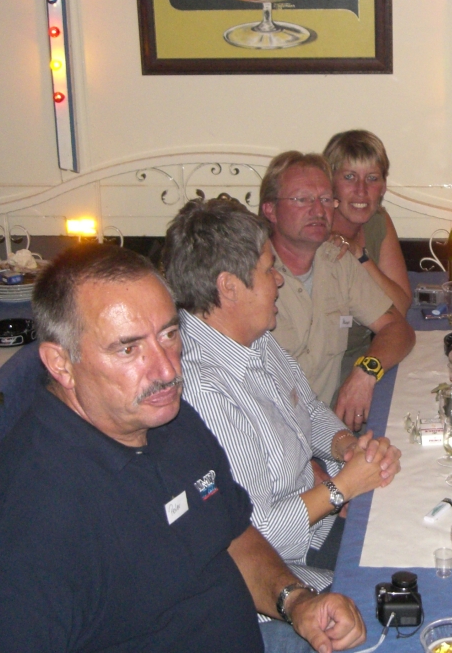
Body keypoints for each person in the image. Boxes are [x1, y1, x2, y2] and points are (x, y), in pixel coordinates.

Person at [0, 243, 366, 653]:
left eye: (169, 334)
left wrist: (295, 601)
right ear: (61, 363)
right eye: (129, 348)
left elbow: (231, 531)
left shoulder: (166, 420)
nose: (166, 369)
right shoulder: (18, 536)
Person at [161, 196, 401, 641]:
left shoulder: (253, 338)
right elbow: (256, 534)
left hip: (317, 524)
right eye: (269, 269)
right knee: (397, 614)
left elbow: (306, 407)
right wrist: (342, 488)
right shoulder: (203, 391)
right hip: (278, 577)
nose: (279, 281)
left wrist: (346, 447)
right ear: (229, 287)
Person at [259, 151, 415, 431]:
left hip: (327, 428)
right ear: (270, 210)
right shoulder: (249, 278)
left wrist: (366, 371)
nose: (318, 210)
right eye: (302, 199)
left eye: (325, 199)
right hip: (272, 435)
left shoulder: (338, 261)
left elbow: (399, 329)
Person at [323, 130, 412, 383]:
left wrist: (361, 256)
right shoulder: (317, 233)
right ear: (330, 182)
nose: (361, 190)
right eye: (349, 177)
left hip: (367, 352)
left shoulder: (377, 221)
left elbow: (400, 307)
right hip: (328, 367)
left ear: (383, 187)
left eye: (371, 178)